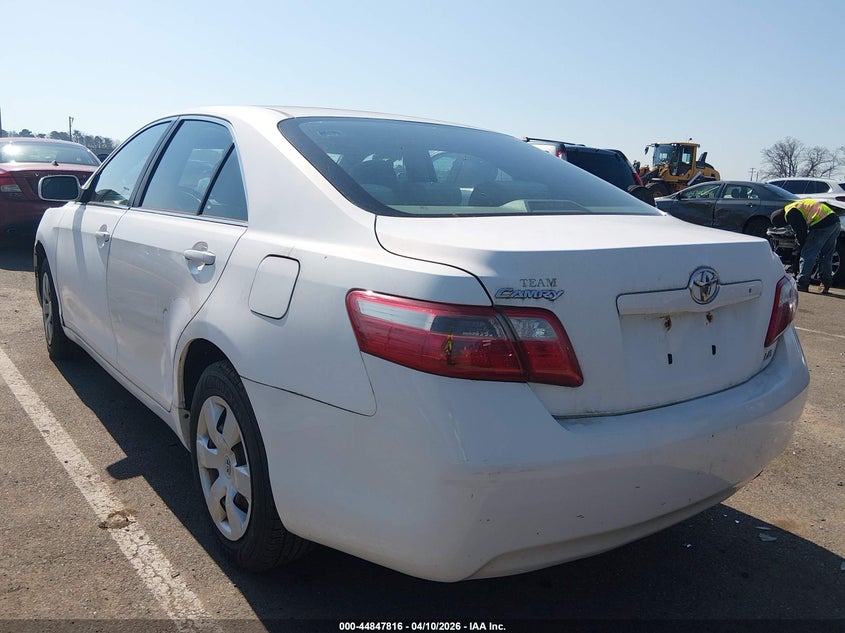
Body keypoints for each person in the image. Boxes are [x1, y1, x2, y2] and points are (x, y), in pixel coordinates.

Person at [771, 199, 841, 294]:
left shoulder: (790, 213)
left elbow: (801, 231)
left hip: (821, 225)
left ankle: (802, 283)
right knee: (826, 255)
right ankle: (826, 283)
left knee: (808, 254)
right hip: (835, 222)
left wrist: (802, 245)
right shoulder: (794, 206)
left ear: (781, 220)